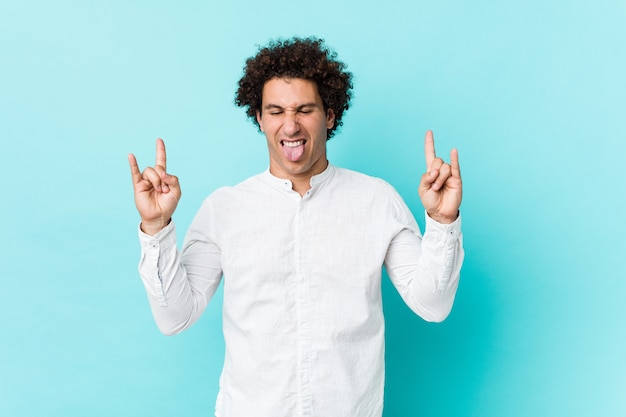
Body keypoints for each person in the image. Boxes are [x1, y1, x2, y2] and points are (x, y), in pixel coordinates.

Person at [128, 37, 463, 417]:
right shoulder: (224, 209)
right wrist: (156, 226)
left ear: (330, 116)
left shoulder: (377, 200)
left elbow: (433, 306)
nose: (290, 125)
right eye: (275, 111)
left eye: (305, 109)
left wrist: (442, 221)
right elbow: (175, 317)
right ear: (258, 117)